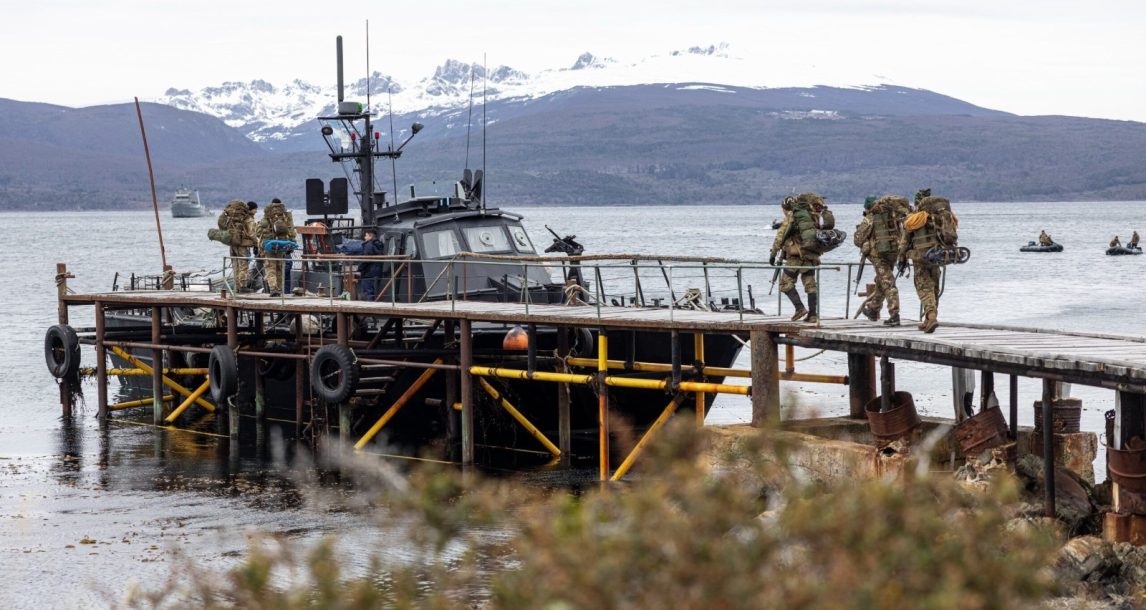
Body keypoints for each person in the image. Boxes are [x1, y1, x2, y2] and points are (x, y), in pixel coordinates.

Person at [770, 192, 834, 323]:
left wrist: (772, 255)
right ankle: (813, 315)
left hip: (795, 258)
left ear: (785, 208)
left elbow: (780, 237)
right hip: (811, 256)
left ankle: (799, 308)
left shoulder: (792, 216)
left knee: (785, 284)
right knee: (810, 286)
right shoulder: (811, 216)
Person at [898, 192, 957, 333]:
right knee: (934, 287)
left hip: (921, 258)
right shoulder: (940, 217)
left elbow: (904, 243)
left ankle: (931, 317)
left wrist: (901, 258)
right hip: (938, 256)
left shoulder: (914, 219)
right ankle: (928, 320)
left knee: (924, 288)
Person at [860, 195, 911, 326]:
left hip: (879, 255)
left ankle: (894, 314)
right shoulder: (892, 214)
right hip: (893, 252)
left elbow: (858, 238)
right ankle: (873, 309)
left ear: (868, 207)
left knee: (887, 283)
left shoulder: (871, 217)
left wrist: (865, 243)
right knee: (881, 281)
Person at [254, 198, 297, 296]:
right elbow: (291, 231)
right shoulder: (285, 216)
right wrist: (291, 244)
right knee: (280, 268)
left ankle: (273, 289)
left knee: (270, 268)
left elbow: (258, 232)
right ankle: (280, 290)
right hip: (282, 245)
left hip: (269, 246)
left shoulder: (267, 216)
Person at [215, 199, 257, 292]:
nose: (256, 211)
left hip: (233, 244)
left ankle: (237, 287)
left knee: (235, 266)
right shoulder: (248, 219)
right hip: (242, 246)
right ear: (251, 209)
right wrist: (256, 244)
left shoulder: (234, 219)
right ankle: (243, 287)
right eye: (255, 209)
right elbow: (252, 234)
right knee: (243, 265)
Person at [360, 228, 384, 301]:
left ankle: (369, 304)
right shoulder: (379, 244)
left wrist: (360, 268)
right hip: (377, 270)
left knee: (368, 290)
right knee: (374, 290)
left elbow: (366, 259)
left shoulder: (368, 245)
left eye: (366, 236)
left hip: (369, 272)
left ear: (370, 236)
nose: (365, 238)